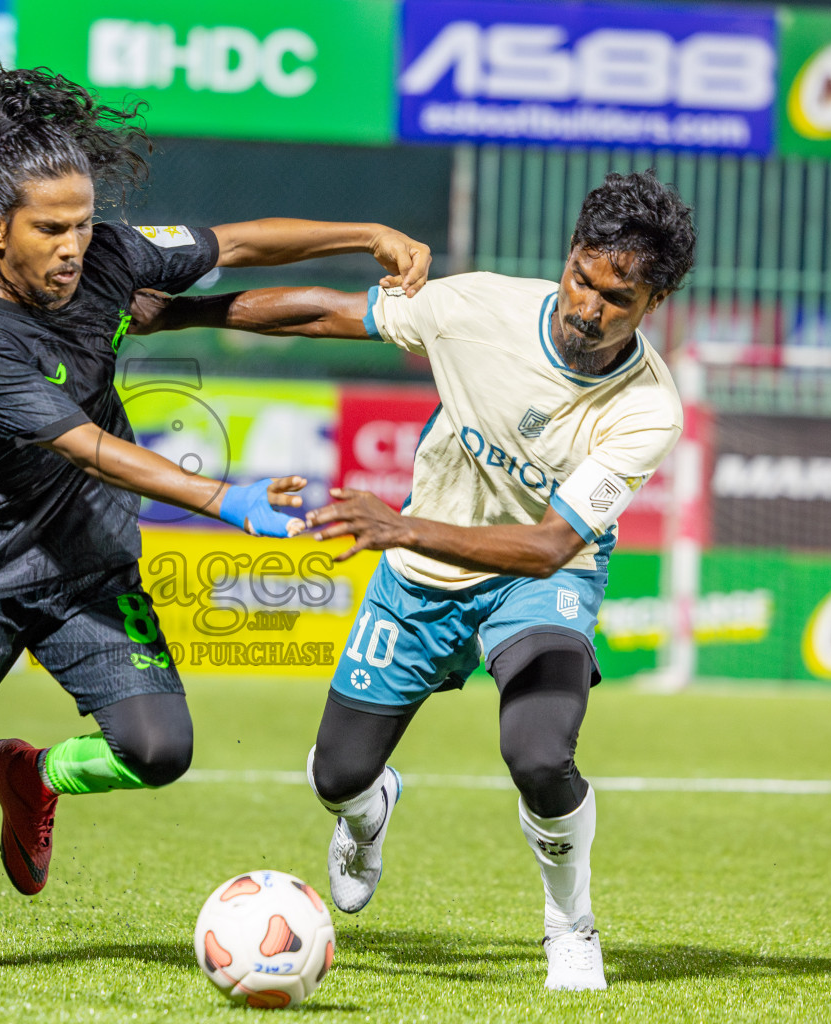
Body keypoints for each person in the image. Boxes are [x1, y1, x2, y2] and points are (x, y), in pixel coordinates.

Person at [0, 59, 433, 965]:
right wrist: (225, 498)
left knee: (159, 750)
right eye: (51, 229)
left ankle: (33, 773)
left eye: (80, 223)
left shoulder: (109, 256)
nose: (74, 245)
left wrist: (365, 231)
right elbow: (86, 444)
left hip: (85, 561)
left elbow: (237, 245)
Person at [140, 170, 694, 991]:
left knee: (539, 753)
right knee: (337, 775)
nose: (588, 306)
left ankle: (571, 928)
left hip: (540, 581)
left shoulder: (649, 407)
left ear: (654, 303)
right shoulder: (480, 308)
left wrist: (395, 524)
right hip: (421, 574)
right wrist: (171, 315)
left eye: (618, 297)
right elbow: (330, 312)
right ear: (568, 256)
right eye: (582, 276)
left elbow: (545, 547)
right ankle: (366, 815)